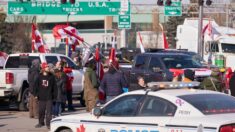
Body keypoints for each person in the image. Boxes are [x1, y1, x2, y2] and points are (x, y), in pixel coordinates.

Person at [35, 62, 56, 129]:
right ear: (43, 68)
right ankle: (41, 122)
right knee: (41, 111)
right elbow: (35, 86)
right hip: (41, 97)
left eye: (48, 67)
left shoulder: (51, 77)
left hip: (49, 97)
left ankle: (48, 124)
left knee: (49, 112)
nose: (48, 68)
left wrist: (54, 97)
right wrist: (36, 94)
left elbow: (55, 87)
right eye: (46, 67)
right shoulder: (39, 76)